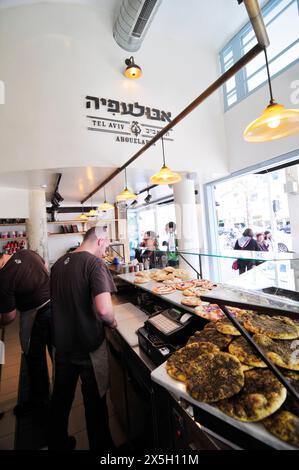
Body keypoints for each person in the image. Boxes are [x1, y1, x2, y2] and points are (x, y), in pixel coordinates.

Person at [49, 226, 117, 450]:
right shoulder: (94, 264)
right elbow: (105, 310)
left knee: (61, 400)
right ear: (100, 240)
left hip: (62, 345)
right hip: (89, 345)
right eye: (106, 244)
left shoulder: (58, 264)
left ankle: (57, 443)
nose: (105, 249)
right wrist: (112, 323)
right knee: (95, 404)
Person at [0, 249, 51, 416]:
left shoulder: (4, 277)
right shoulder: (27, 253)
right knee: (56, 353)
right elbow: (45, 265)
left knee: (35, 358)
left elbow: (10, 316)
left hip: (35, 314)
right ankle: (56, 399)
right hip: (55, 306)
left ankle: (40, 404)